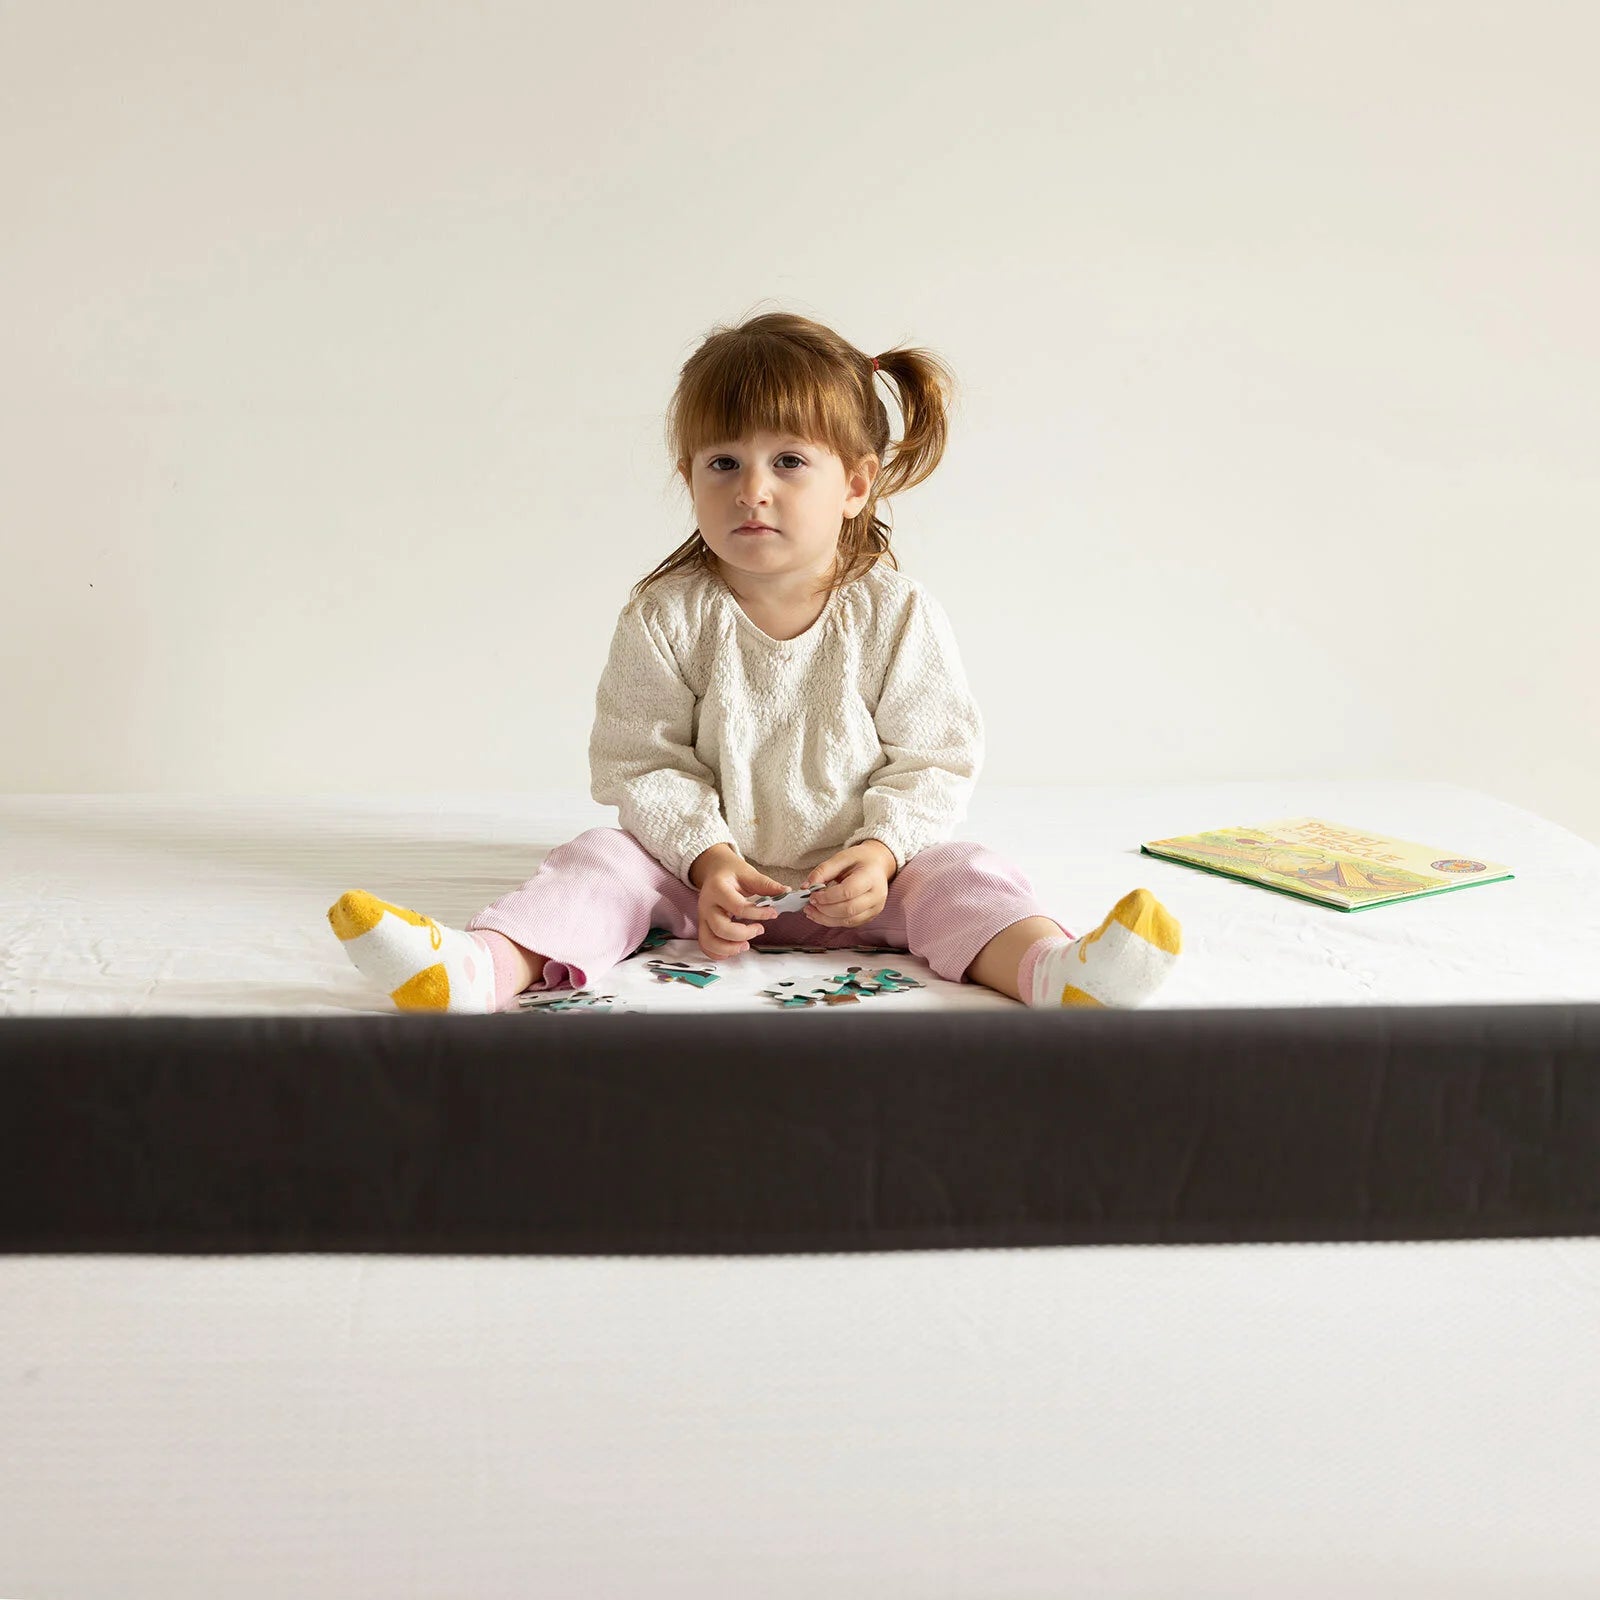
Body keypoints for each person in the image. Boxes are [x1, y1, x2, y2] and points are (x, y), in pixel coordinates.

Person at [327, 310, 1181, 1014]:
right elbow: (641, 761)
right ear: (689, 477)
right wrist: (706, 861)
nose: (752, 489)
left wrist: (883, 853)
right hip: (701, 881)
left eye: (789, 462)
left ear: (856, 485)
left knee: (966, 874)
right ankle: (480, 967)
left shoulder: (895, 612)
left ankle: (1053, 971)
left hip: (869, 884)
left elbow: (935, 758)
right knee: (599, 861)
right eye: (724, 463)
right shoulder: (666, 615)